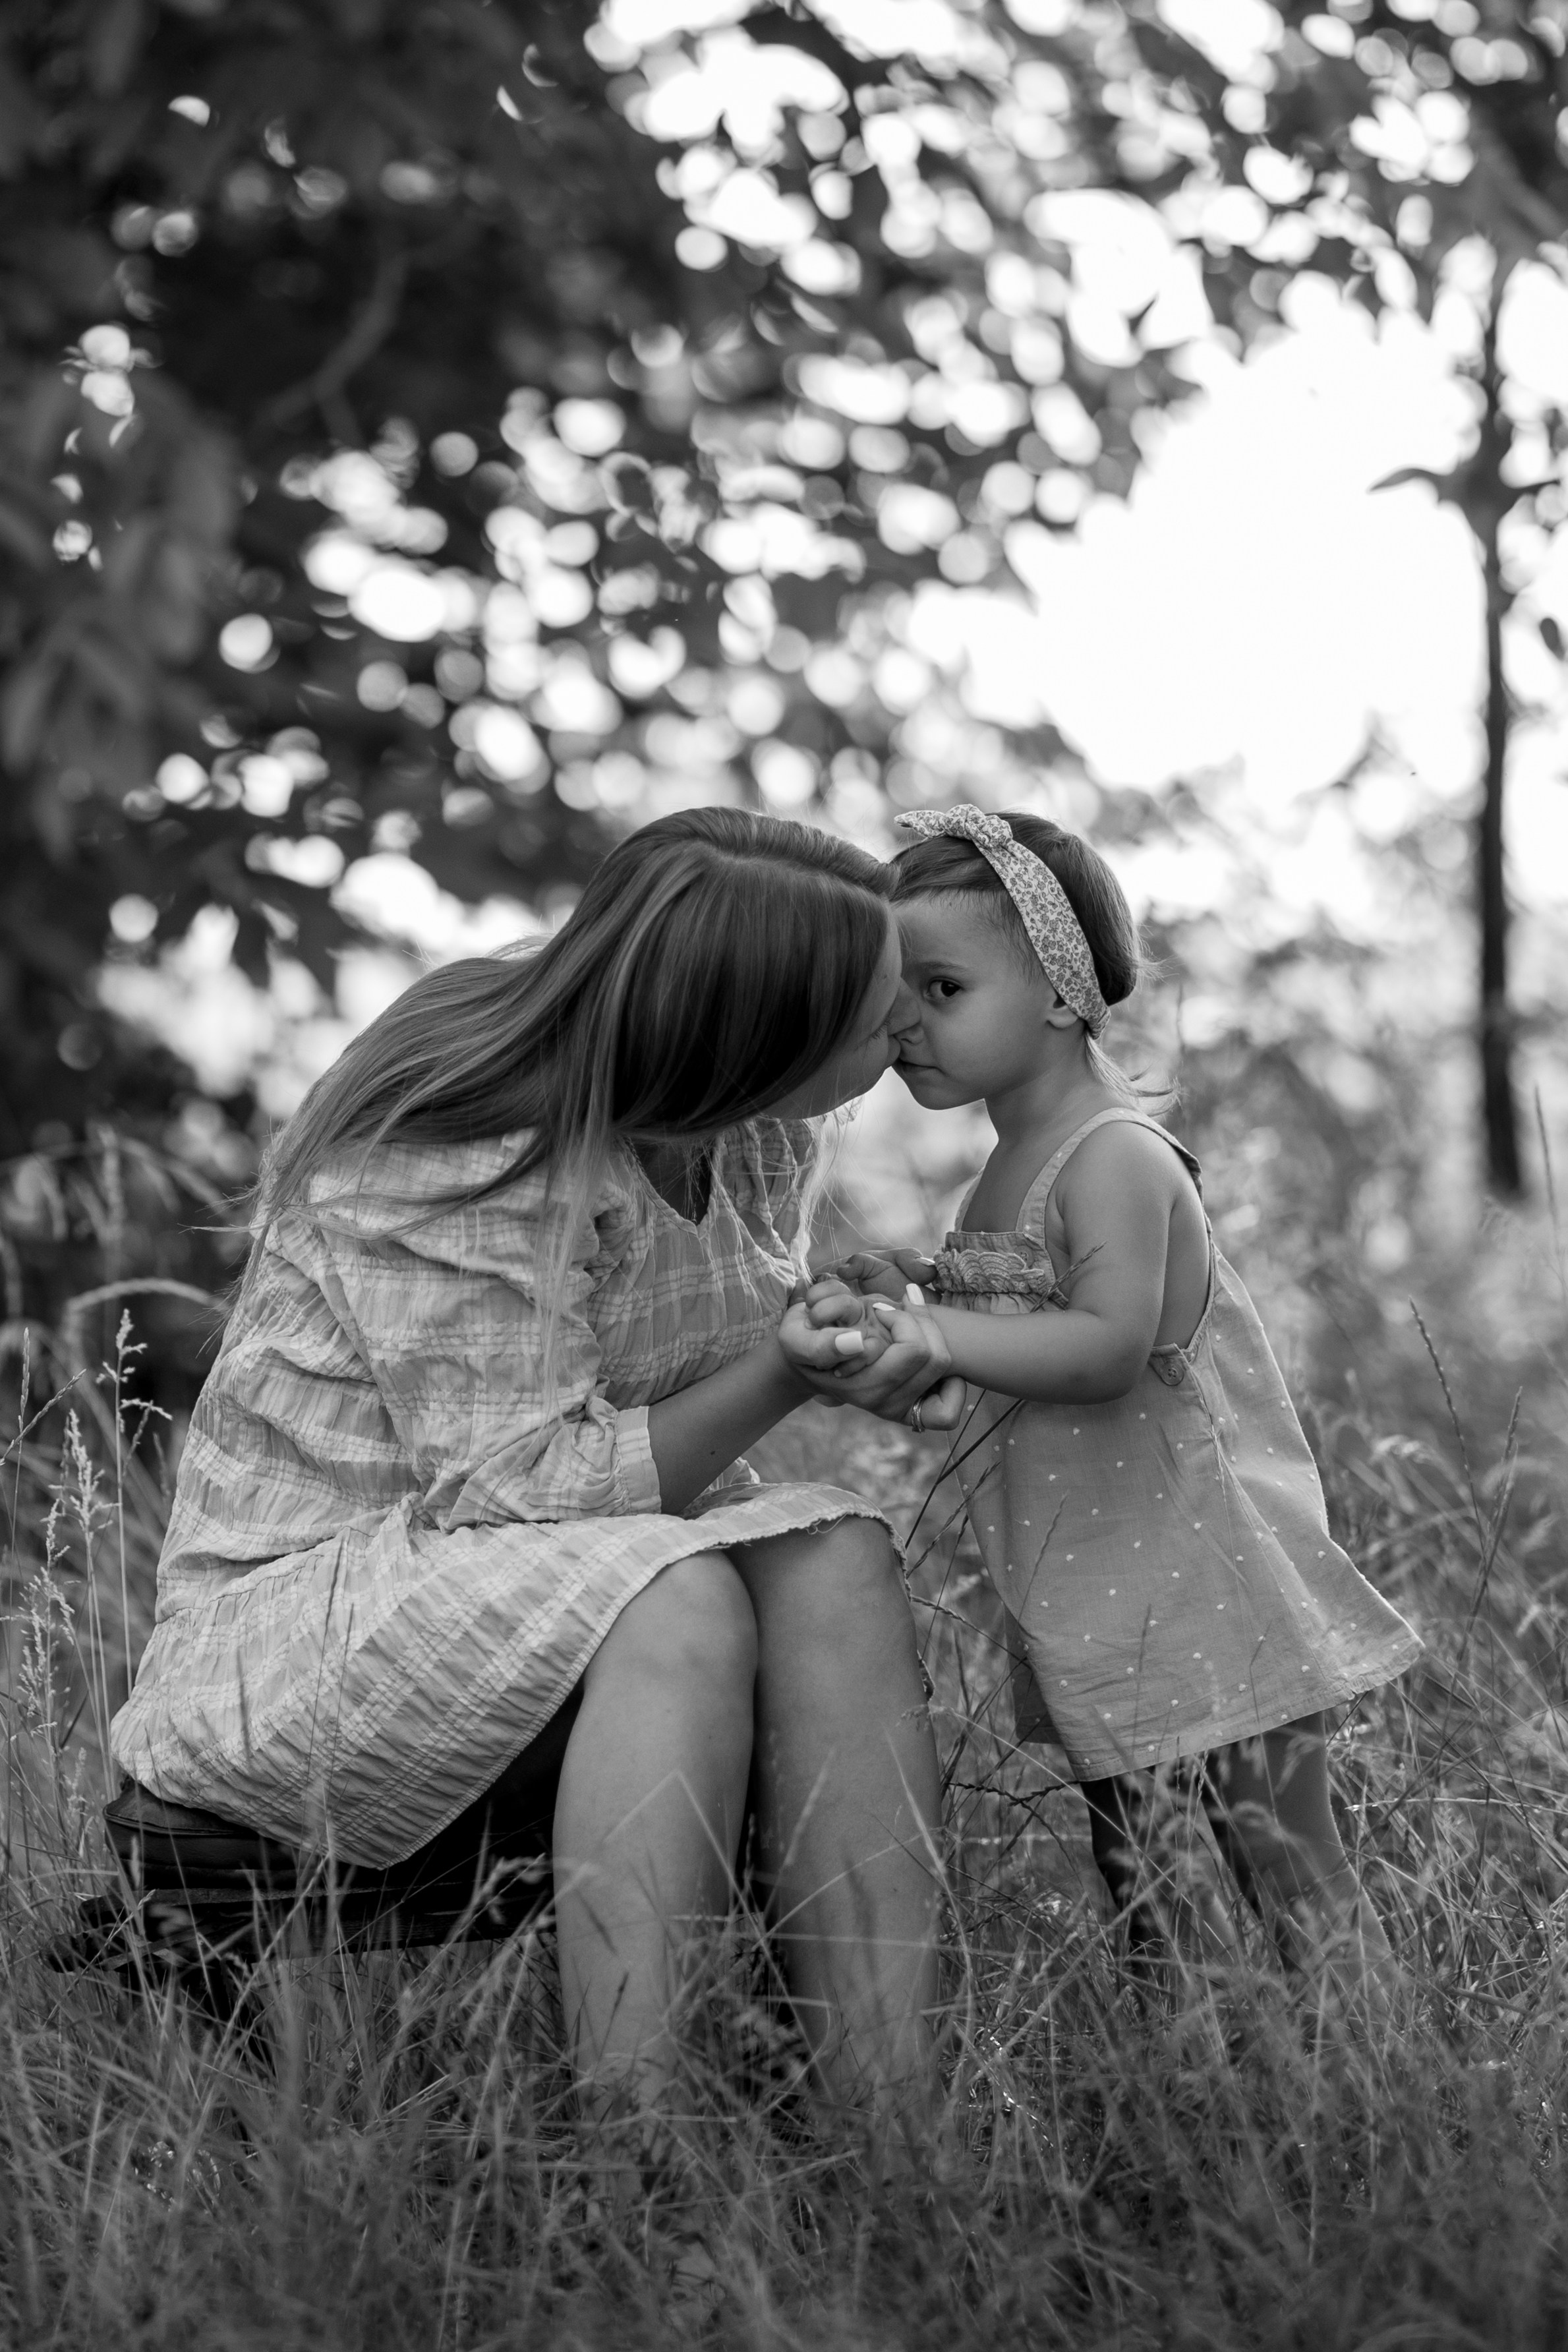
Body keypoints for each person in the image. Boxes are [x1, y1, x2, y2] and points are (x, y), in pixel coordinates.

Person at [110, 808, 963, 2151]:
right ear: (754, 1031)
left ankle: (900, 2135)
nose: (908, 1025)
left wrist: (840, 1330)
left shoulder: (749, 1126)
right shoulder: (470, 1132)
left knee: (834, 1554)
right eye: (875, 1013)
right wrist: (786, 1374)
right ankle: (639, 2164)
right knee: (681, 1597)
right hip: (302, 1631)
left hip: (532, 1583)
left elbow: (684, 1360)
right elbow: (520, 1485)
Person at [805, 804, 1420, 1997]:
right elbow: (1018, 1327)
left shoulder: (1115, 1156)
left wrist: (936, 1326)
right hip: (1097, 1588)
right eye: (893, 995)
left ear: (1057, 991)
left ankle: (1378, 2085)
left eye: (938, 990)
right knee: (1144, 1861)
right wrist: (916, 1293)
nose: (902, 1026)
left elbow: (1102, 1348)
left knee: (1282, 1853)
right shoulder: (1006, 1167)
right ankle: (1196, 2102)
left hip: (1204, 1576)